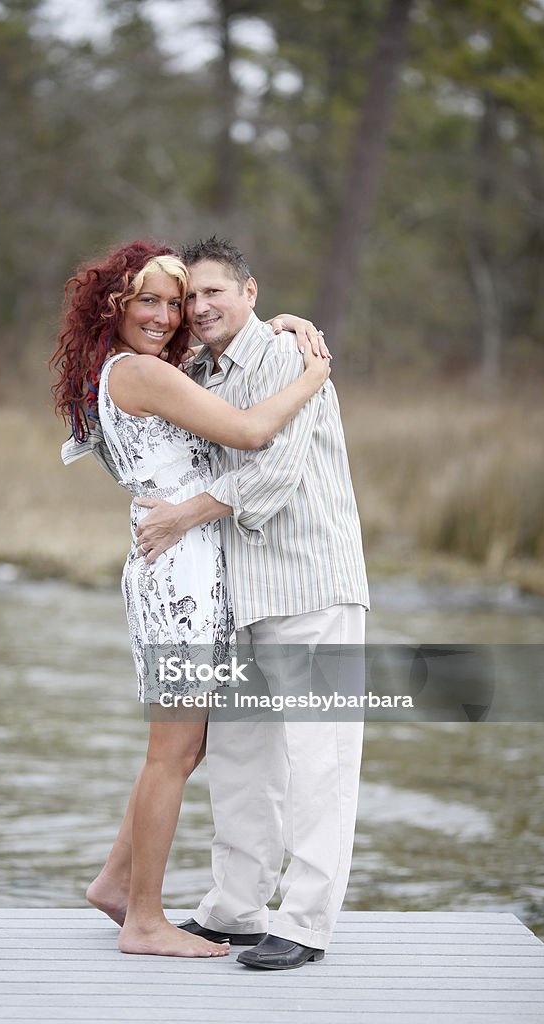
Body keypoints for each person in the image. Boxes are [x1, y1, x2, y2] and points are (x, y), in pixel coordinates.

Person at [50, 240, 330, 959]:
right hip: (175, 575)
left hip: (188, 565)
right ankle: (144, 919)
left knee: (186, 744)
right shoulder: (140, 372)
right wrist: (315, 372)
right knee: (172, 751)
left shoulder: (139, 370)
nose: (166, 314)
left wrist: (282, 323)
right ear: (113, 303)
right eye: (149, 299)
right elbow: (249, 429)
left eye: (174, 303)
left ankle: (116, 881)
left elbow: (229, 367)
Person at [134, 236, 370, 971]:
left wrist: (182, 516)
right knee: (241, 760)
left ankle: (304, 923)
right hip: (237, 597)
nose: (199, 307)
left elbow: (273, 473)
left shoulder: (285, 356)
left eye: (213, 293)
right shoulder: (198, 367)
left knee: (317, 760)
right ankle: (233, 906)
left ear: (249, 292)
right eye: (189, 297)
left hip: (310, 585)